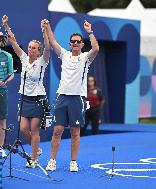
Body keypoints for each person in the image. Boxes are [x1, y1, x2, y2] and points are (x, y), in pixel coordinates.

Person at [43, 19, 99, 172]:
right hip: (62, 96)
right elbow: (53, 41)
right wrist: (47, 27)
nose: (75, 44)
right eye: (73, 42)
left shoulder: (86, 58)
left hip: (77, 98)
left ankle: (73, 162)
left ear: (82, 44)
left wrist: (90, 32)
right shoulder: (65, 55)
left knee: (75, 132)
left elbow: (96, 48)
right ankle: (52, 161)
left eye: (78, 42)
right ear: (70, 44)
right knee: (57, 131)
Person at [2, 15, 50, 168]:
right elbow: (13, 41)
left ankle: (34, 159)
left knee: (34, 130)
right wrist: (6, 25)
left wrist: (44, 31)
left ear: (38, 51)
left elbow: (48, 47)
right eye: (29, 47)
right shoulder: (23, 58)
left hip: (37, 100)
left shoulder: (43, 61)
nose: (30, 49)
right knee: (23, 128)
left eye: (34, 48)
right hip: (24, 98)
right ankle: (37, 150)